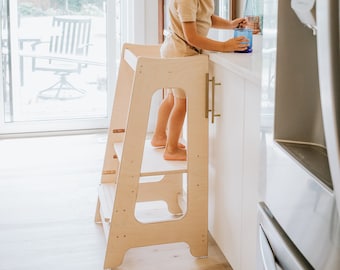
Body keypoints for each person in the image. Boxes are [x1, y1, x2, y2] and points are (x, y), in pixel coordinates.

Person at [151, 0, 249, 161]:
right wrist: (224, 46)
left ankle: (159, 136)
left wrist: (230, 24)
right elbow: (192, 37)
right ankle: (171, 149)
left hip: (174, 49)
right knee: (181, 103)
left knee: (171, 98)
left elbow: (207, 17)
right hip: (181, 52)